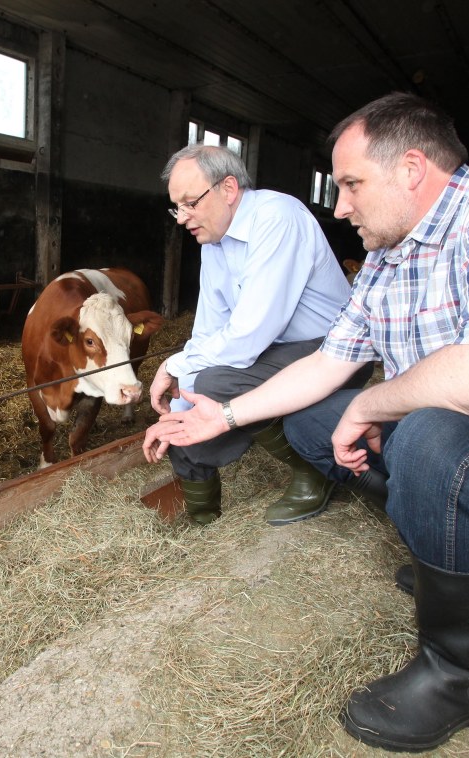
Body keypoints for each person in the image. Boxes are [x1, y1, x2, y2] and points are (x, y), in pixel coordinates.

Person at [143, 93, 469, 753]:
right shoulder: (387, 260)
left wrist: (371, 405)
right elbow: (328, 363)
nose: (340, 207)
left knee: (431, 435)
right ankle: (463, 548)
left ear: (412, 169)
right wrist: (221, 414)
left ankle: (459, 677)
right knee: (311, 417)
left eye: (351, 185)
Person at [150, 144, 372, 527]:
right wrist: (179, 413)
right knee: (195, 390)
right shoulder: (214, 241)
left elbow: (248, 335)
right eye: (176, 208)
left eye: (190, 203)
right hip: (274, 353)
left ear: (228, 188)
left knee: (217, 381)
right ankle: (202, 519)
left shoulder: (277, 218)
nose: (182, 218)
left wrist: (174, 365)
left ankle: (314, 469)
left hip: (335, 353)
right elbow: (208, 331)